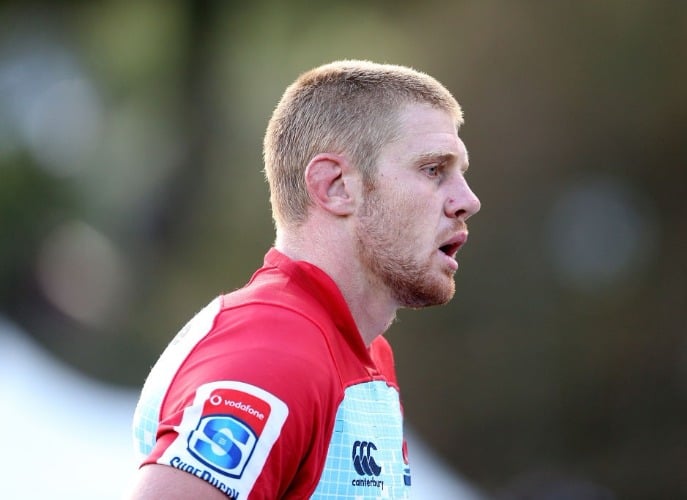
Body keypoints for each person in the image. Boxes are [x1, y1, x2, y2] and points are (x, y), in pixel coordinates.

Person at [127, 59, 481, 499]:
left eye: (460, 173)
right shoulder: (274, 352)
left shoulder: (361, 350)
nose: (467, 201)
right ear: (335, 186)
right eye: (433, 170)